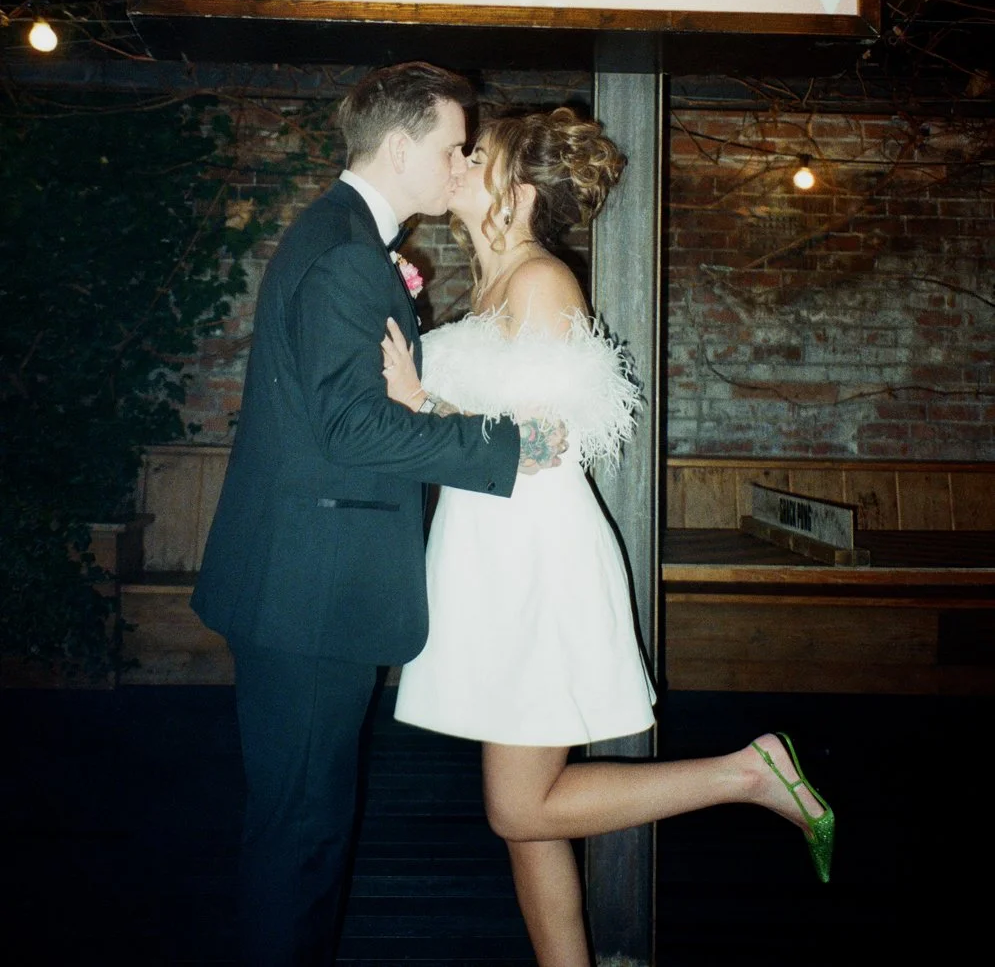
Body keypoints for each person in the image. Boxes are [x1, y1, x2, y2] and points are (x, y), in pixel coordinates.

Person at [380, 106, 836, 967]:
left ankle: (746, 773)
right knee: (521, 818)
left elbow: (544, 446)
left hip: (534, 562)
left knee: (518, 810)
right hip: (488, 562)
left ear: (512, 193)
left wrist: (422, 400)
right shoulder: (487, 284)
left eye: (475, 156)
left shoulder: (541, 282)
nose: (459, 161)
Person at [190, 62, 567, 967]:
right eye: (450, 146)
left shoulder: (344, 239)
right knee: (302, 835)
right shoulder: (346, 254)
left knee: (298, 824)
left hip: (301, 580)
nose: (460, 161)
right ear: (401, 147)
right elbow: (355, 428)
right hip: (310, 590)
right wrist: (509, 447)